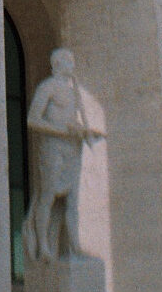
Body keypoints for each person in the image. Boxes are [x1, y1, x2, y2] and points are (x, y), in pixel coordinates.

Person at [21, 48, 103, 262]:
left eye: (73, 61)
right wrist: (63, 131)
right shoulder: (47, 87)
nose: (72, 65)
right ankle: (44, 248)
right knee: (48, 196)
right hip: (52, 149)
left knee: (72, 200)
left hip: (72, 149)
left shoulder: (73, 91)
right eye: (69, 61)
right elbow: (33, 120)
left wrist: (85, 131)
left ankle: (74, 246)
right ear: (57, 64)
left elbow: (71, 121)